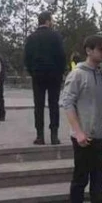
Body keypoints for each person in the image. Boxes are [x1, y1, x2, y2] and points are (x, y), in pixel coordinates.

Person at [60, 34, 102, 203]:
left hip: (101, 135)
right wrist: (78, 131)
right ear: (89, 50)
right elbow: (67, 103)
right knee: (80, 180)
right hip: (83, 137)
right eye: (99, 49)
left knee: (99, 181)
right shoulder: (78, 75)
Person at [24, 11, 67, 145]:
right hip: (54, 75)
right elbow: (62, 56)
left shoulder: (31, 38)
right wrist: (60, 72)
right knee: (54, 105)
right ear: (48, 21)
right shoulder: (56, 36)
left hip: (38, 75)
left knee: (39, 105)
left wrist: (33, 72)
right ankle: (54, 135)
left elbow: (26, 58)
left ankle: (40, 136)